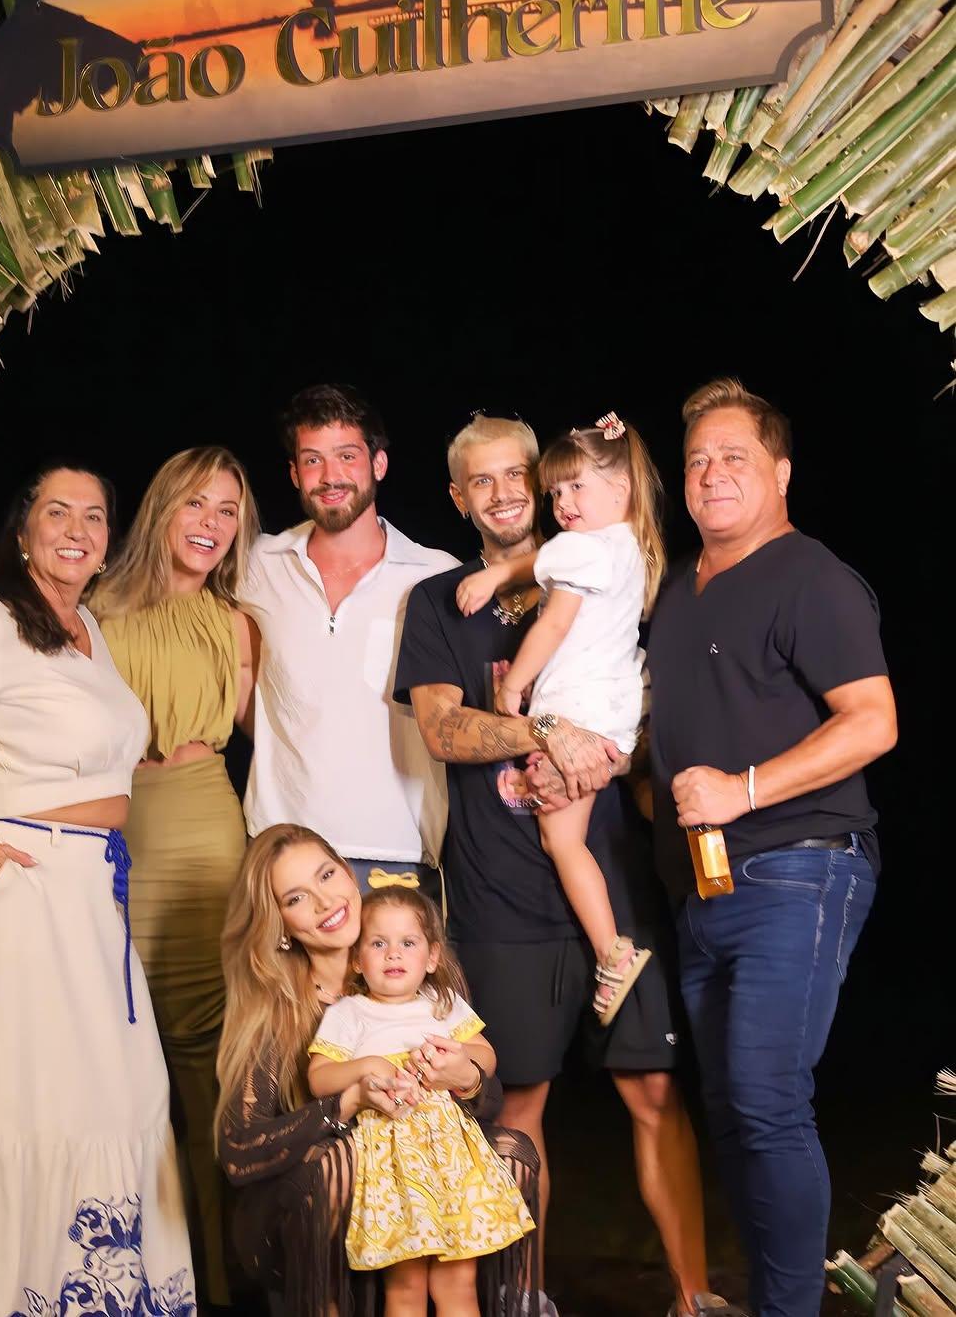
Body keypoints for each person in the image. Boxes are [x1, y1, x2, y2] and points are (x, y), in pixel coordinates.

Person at [397, 411, 742, 1317]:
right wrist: (547, 730)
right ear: (457, 497)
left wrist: (610, 755)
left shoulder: (610, 563)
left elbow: (652, 722)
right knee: (516, 1108)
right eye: (481, 480)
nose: (506, 493)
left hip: (613, 878)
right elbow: (443, 730)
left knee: (656, 1090)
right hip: (501, 895)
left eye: (519, 474)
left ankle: (694, 1298)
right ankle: (525, 1300)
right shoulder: (441, 600)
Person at [0, 465, 194, 1317]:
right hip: (12, 898)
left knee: (112, 1099)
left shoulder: (85, 629)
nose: (77, 529)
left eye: (95, 515)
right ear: (23, 532)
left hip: (87, 898)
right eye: (58, 511)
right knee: (24, 1106)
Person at [646, 378, 897, 1317]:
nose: (711, 474)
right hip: (703, 888)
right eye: (697, 460)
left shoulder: (809, 576)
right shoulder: (679, 591)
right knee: (732, 1115)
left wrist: (742, 789)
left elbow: (873, 721)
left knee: (766, 1102)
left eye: (735, 457)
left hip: (800, 865)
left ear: (782, 472)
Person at [215, 823, 539, 1317]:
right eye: (297, 898)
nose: (325, 902)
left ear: (350, 873)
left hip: (421, 1156)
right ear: (278, 923)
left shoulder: (409, 957)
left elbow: (485, 1096)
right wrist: (347, 1101)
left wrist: (465, 1076)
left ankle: (498, 1298)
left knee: (510, 1150)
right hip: (308, 1194)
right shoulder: (276, 1012)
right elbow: (239, 1151)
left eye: (327, 875)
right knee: (339, 1165)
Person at [91, 445, 259, 1310]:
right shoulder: (91, 612)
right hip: (107, 834)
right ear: (162, 508)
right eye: (196, 503)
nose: (210, 523)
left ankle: (222, 1285)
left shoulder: (236, 623)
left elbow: (278, 733)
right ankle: (129, 1273)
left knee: (204, 1062)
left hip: (202, 832)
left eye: (227, 510)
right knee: (110, 1059)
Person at [458, 414, 666, 1024]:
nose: (563, 504)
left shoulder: (579, 549)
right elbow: (546, 561)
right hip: (617, 712)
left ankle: (612, 953)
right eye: (555, 492)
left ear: (620, 488)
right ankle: (611, 949)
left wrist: (513, 686)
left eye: (577, 487)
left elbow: (552, 623)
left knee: (560, 839)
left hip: (577, 709)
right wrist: (501, 572)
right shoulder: (628, 546)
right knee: (566, 829)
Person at [239, 384, 456, 896]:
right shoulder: (257, 565)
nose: (330, 476)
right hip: (282, 850)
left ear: (379, 464)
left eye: (347, 456)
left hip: (399, 852)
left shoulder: (435, 576)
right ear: (294, 474)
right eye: (312, 460)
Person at [308, 885, 535, 1314]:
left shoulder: (442, 1005)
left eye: (408, 943)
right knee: (406, 1286)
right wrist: (366, 1066)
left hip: (451, 1157)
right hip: (390, 1161)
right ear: (357, 960)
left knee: (458, 1283)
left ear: (431, 958)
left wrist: (459, 1058)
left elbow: (487, 1055)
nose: (393, 954)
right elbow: (319, 1078)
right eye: (378, 943)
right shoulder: (349, 1013)